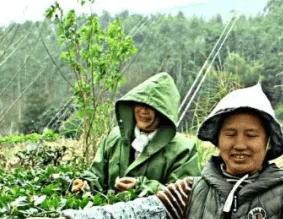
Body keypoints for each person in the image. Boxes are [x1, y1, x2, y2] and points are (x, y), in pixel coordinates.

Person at [14, 84, 283, 219]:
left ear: (267, 143)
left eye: (251, 135)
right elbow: (129, 218)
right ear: (217, 141)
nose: (239, 144)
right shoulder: (192, 191)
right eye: (230, 134)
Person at [72, 72, 201, 195]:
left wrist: (141, 187)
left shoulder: (183, 150)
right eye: (140, 103)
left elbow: (184, 196)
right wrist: (84, 184)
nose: (143, 111)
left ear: (163, 112)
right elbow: (97, 176)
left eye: (152, 106)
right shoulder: (114, 138)